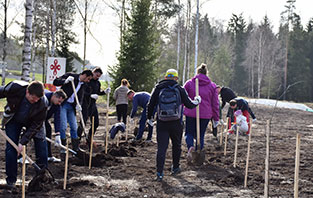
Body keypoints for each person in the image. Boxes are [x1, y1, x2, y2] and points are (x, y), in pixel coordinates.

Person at [147, 69, 201, 182]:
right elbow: (189, 104)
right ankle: (175, 167)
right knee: (176, 145)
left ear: (165, 77)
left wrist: (149, 118)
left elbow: (150, 104)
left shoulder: (158, 88)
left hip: (162, 122)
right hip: (176, 122)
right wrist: (197, 101)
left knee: (162, 148)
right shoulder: (179, 89)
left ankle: (159, 173)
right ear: (176, 78)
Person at [0, 80, 47, 187]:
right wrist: (18, 144)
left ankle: (42, 177)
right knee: (11, 148)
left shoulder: (42, 103)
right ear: (27, 92)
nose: (35, 101)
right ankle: (11, 180)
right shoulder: (14, 88)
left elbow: (36, 126)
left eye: (37, 99)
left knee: (41, 142)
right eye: (33, 98)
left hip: (33, 122)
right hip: (13, 119)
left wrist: (23, 142)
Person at [183, 64, 219, 161]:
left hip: (190, 112)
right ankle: (198, 151)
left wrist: (181, 109)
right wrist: (216, 119)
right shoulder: (212, 86)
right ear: (206, 73)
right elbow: (215, 103)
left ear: (197, 73)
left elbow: (182, 98)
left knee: (189, 133)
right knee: (201, 134)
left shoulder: (189, 83)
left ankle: (190, 147)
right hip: (205, 115)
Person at [53, 70, 93, 153]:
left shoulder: (83, 85)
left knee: (74, 127)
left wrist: (79, 105)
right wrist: (65, 81)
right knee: (63, 126)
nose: (88, 81)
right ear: (84, 75)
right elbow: (55, 82)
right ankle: (63, 148)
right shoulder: (71, 76)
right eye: (88, 79)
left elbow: (80, 96)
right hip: (63, 104)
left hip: (72, 107)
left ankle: (75, 147)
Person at [78, 67, 110, 147]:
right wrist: (90, 95)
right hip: (85, 104)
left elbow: (98, 92)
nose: (97, 77)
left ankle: (89, 138)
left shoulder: (97, 83)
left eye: (99, 76)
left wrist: (104, 92)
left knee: (96, 123)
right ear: (93, 72)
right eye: (96, 75)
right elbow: (82, 92)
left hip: (92, 105)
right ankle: (77, 140)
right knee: (83, 122)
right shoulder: (87, 81)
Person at [44, 89, 67, 162]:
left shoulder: (57, 105)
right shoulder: (44, 98)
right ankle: (20, 157)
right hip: (34, 119)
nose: (59, 103)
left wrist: (57, 134)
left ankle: (48, 156)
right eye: (59, 101)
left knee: (48, 130)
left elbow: (57, 118)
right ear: (54, 96)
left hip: (44, 119)